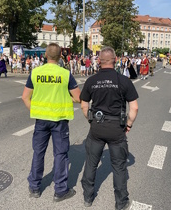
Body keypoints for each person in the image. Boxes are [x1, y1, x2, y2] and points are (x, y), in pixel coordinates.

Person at [80, 46, 139, 210]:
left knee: (91, 163)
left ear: (99, 61)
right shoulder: (123, 81)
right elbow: (134, 107)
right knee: (119, 167)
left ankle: (88, 197)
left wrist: (90, 120)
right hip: (116, 128)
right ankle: (120, 202)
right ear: (115, 61)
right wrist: (129, 124)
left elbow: (84, 104)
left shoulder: (91, 80)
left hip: (97, 127)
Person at [22, 43, 81, 202]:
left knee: (38, 153)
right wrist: (64, 99)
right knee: (60, 154)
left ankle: (34, 187)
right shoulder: (65, 74)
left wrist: (36, 110)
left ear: (45, 56)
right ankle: (60, 191)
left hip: (41, 121)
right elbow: (77, 97)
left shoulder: (35, 73)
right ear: (61, 56)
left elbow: (25, 97)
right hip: (59, 121)